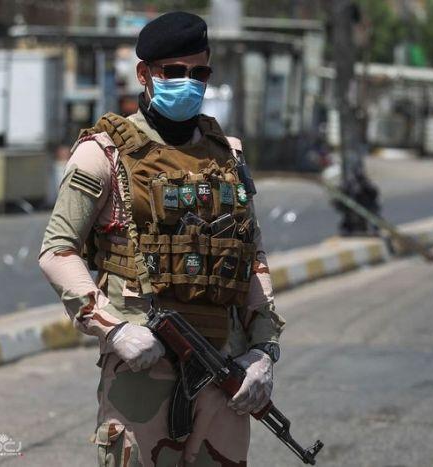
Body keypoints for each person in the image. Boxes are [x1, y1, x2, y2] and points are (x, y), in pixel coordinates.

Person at [38, 12, 285, 466]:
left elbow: (251, 257)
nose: (188, 82)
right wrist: (114, 329)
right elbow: (57, 251)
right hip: (143, 368)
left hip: (224, 370)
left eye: (199, 73)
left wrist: (263, 350)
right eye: (174, 71)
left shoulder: (227, 154)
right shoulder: (103, 153)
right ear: (144, 74)